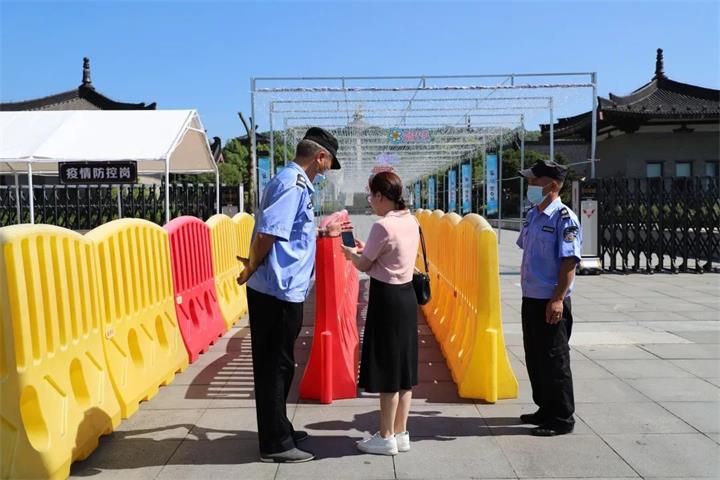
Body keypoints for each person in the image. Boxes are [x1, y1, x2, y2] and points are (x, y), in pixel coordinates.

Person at [236, 127, 342, 463]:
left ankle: (280, 427)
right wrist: (251, 267)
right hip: (276, 291)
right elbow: (268, 233)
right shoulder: (292, 184)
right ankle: (275, 443)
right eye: (329, 163)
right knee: (274, 367)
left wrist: (321, 232)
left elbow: (292, 231)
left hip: (284, 289)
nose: (327, 170)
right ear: (320, 157)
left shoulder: (293, 182)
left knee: (281, 365)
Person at [342, 171, 420, 456]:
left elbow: (364, 265)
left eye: (370, 196)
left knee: (388, 368)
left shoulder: (382, 226)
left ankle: (385, 437)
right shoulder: (412, 221)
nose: (370, 202)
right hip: (407, 297)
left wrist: (350, 254)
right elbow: (392, 256)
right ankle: (401, 433)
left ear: (380, 196)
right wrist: (368, 253)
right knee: (404, 370)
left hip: (387, 299)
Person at [516, 159, 582, 436]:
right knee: (535, 357)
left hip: (550, 299)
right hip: (531, 297)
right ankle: (545, 407)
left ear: (553, 185)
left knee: (555, 360)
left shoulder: (564, 218)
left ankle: (562, 417)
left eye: (535, 181)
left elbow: (569, 262)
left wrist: (557, 299)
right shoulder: (534, 214)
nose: (529, 185)